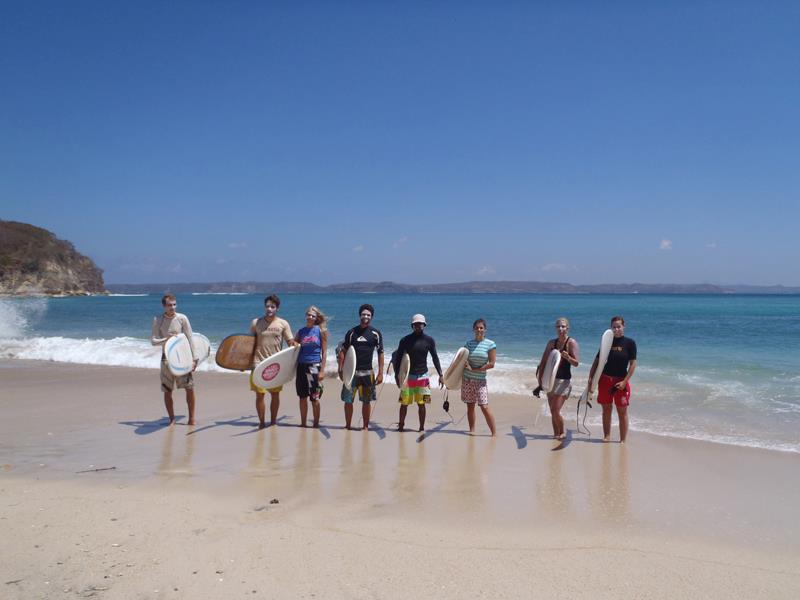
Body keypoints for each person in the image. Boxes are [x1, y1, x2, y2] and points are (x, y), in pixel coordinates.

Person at [150, 293, 198, 426]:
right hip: (166, 358)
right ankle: (172, 419)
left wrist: (194, 359)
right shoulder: (158, 319)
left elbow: (190, 338)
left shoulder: (182, 318)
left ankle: (191, 418)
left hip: (183, 358)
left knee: (190, 388)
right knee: (167, 390)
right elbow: (153, 341)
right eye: (169, 305)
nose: (172, 307)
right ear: (164, 306)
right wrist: (167, 340)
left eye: (174, 304)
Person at [588, 316, 637, 443]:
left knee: (622, 412)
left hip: (621, 381)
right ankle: (607, 436)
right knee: (606, 410)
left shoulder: (630, 343)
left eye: (619, 326)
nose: (616, 329)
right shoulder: (607, 342)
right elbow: (597, 361)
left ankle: (622, 440)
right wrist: (590, 378)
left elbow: (633, 364)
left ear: (623, 326)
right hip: (605, 380)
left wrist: (625, 381)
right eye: (614, 327)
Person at [250, 294, 295, 429]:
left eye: (272, 306)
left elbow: (290, 342)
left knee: (275, 394)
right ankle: (262, 422)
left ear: (277, 308)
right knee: (260, 395)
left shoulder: (283, 323)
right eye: (267, 306)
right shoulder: (256, 323)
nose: (269, 309)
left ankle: (273, 421)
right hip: (258, 363)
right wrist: (243, 363)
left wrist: (296, 345)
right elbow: (249, 344)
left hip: (275, 364)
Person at [393, 314, 443, 432]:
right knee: (404, 403)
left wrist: (441, 374)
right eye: (415, 324)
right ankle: (401, 426)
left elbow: (435, 358)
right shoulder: (405, 340)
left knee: (422, 404)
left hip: (423, 377)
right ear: (412, 326)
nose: (418, 326)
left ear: (424, 325)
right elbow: (399, 358)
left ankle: (421, 428)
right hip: (407, 377)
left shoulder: (429, 340)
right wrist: (397, 376)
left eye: (420, 324)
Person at [338, 303, 384, 430]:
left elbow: (380, 353)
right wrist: (340, 369)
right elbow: (343, 351)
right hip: (351, 373)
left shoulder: (376, 333)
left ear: (372, 317)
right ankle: (348, 425)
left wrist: (381, 373)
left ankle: (365, 426)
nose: (366, 316)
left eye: (368, 315)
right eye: (363, 314)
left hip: (368, 373)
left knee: (366, 401)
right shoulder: (352, 332)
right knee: (348, 400)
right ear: (359, 315)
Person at [536, 317, 580, 440]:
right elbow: (544, 362)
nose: (561, 329)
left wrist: (568, 358)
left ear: (567, 328)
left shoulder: (571, 343)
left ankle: (562, 432)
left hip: (564, 381)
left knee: (555, 410)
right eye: (558, 326)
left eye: (563, 326)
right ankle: (556, 434)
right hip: (550, 380)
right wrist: (540, 381)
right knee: (552, 410)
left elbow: (576, 363)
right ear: (556, 328)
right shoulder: (551, 343)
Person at [462, 318, 497, 436]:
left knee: (484, 406)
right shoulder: (468, 344)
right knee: (470, 406)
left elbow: (492, 364)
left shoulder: (490, 344)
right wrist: (465, 364)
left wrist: (476, 369)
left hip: (480, 380)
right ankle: (472, 430)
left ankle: (494, 433)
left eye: (481, 328)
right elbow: (463, 358)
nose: (479, 330)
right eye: (477, 328)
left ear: (485, 330)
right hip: (467, 379)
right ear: (473, 329)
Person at [294, 305, 327, 428]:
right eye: (308, 314)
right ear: (306, 316)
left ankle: (316, 424)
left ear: (316, 318)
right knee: (302, 397)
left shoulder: (320, 331)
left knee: (314, 397)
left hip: (314, 366)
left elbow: (324, 352)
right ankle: (303, 423)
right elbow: (294, 346)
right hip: (301, 366)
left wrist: (322, 371)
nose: (310, 317)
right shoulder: (301, 331)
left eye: (313, 315)